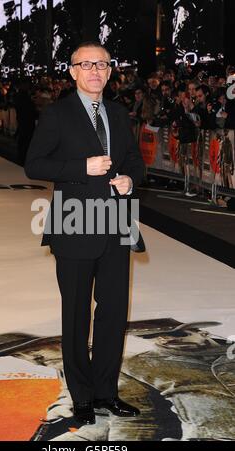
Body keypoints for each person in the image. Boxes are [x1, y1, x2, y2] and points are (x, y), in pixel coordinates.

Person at [24, 41, 144, 425]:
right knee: (76, 314)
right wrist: (82, 167)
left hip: (116, 223)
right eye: (86, 64)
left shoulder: (119, 113)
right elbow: (34, 164)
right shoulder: (58, 114)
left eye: (102, 64)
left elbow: (135, 162)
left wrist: (129, 180)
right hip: (75, 223)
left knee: (113, 313)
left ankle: (107, 392)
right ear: (73, 71)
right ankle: (82, 396)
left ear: (110, 72)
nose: (95, 70)